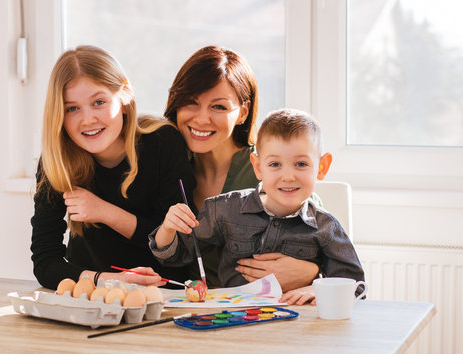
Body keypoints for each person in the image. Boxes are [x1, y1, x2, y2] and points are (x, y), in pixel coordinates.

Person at [150, 108, 365, 304]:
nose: (288, 177)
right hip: (234, 321)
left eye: (301, 164)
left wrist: (317, 289)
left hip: (298, 330)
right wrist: (168, 228)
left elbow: (357, 288)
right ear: (258, 166)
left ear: (322, 167)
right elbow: (176, 255)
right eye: (275, 164)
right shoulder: (224, 210)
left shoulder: (326, 228)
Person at [30, 45, 195, 290]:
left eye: (98, 102)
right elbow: (45, 262)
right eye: (72, 108)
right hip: (94, 296)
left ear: (125, 98)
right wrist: (109, 280)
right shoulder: (57, 159)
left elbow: (176, 244)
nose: (87, 119)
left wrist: (104, 212)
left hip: (164, 295)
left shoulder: (162, 142)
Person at [164, 45, 320, 290]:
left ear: (243, 112)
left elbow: (331, 248)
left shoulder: (268, 168)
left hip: (268, 314)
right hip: (196, 314)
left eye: (218, 107)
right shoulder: (168, 168)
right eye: (191, 102)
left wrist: (313, 272)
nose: (201, 118)